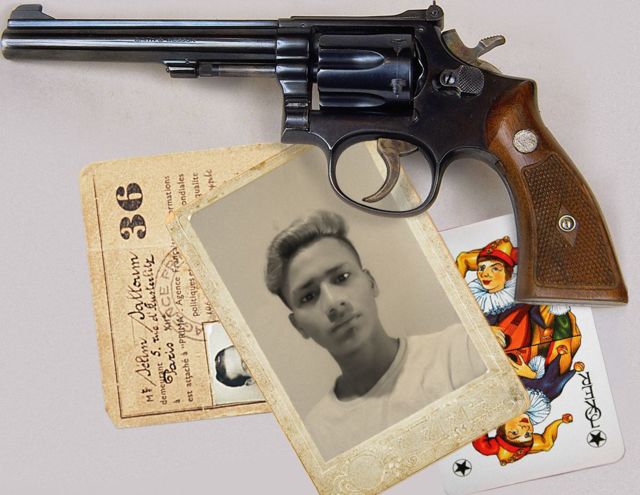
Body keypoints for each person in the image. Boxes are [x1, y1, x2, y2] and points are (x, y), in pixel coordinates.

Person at [265, 210, 485, 459]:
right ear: (299, 326)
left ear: (371, 283)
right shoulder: (316, 436)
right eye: (308, 296)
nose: (333, 303)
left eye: (341, 277)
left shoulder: (461, 350)